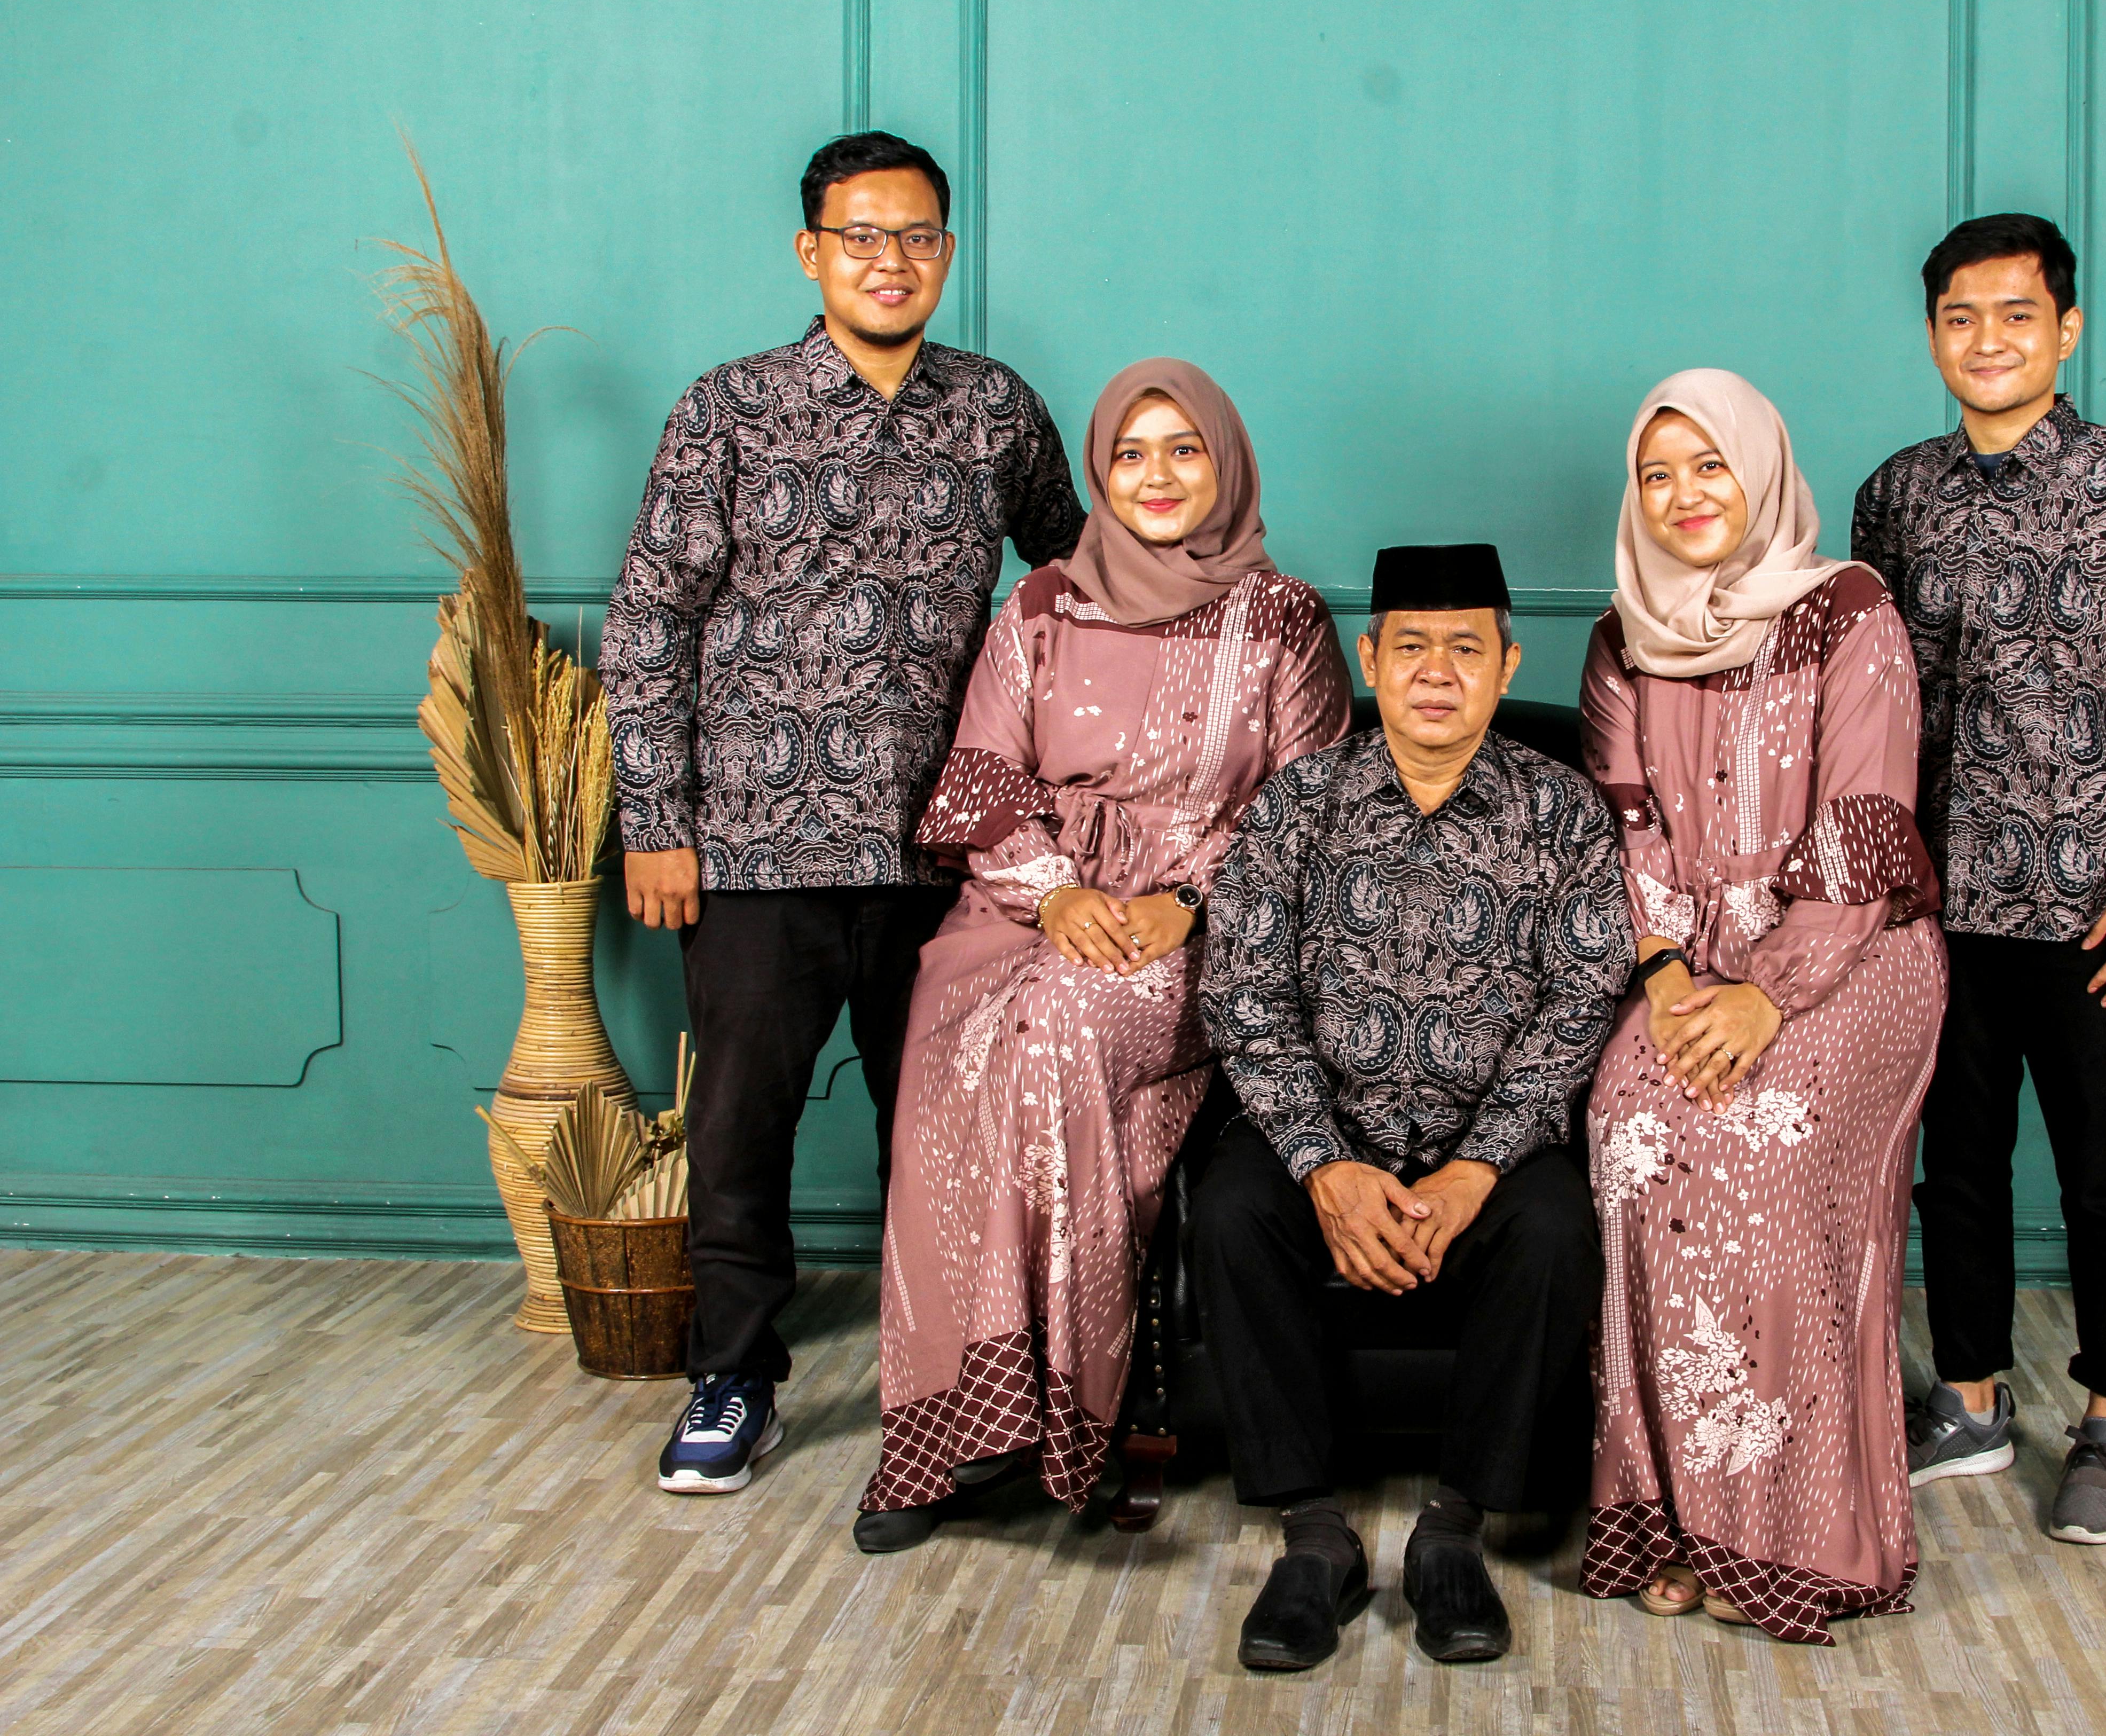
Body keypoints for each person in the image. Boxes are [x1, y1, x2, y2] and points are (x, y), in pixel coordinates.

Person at [601, 131, 1085, 1496]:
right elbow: (650, 620)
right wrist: (658, 819)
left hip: (946, 855)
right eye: (862, 237)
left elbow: (1076, 586)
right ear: (810, 251)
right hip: (751, 846)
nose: (892, 260)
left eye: (918, 236)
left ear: (949, 248)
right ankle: (735, 1374)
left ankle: (942, 1378)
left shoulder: (997, 411)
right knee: (740, 1124)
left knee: (933, 1131)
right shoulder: (729, 409)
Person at [850, 360, 1351, 1554]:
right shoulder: (1041, 608)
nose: (1158, 477)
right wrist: (1058, 893)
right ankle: (941, 1431)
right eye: (1132, 453)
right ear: (1098, 472)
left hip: (1192, 931)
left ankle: (1057, 1414)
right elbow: (982, 783)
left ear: (1226, 461)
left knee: (1063, 1031)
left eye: (1185, 451)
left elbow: (1311, 811)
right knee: (953, 1051)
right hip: (1026, 911)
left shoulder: (1282, 618)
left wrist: (1188, 897)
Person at [1853, 213, 2106, 1545]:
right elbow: (1875, 708)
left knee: (2103, 1172)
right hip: (1941, 906)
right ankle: (1969, 1399)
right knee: (1955, 1166)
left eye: (2017, 316)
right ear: (1934, 334)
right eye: (1961, 318)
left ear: (2067, 331)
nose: (1988, 340)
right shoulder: (1895, 494)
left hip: (2094, 906)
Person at [1195, 544, 1631, 1672]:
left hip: (1491, 1144)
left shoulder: (1564, 814)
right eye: (1414, 649)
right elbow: (1241, 990)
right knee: (1232, 1213)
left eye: (1467, 650)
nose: (1439, 673)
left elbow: (1583, 1001)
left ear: (1506, 665)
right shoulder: (1298, 805)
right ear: (1373, 660)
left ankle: (1456, 1530)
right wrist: (1322, 1164)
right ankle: (1312, 1537)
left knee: (1552, 1233)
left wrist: (1478, 1166)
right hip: (1321, 1133)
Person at [1578, 371, 1949, 1643]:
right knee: (1631, 1128)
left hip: (1855, 959)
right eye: (1657, 475)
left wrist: (1767, 999)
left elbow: (1861, 831)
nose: (1684, 498)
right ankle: (1678, 1518)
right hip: (1690, 962)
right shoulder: (1626, 634)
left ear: (1762, 473)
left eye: (1709, 468)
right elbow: (1629, 834)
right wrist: (1676, 980)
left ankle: (1788, 1534)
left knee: (1759, 1145)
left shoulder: (1850, 613)